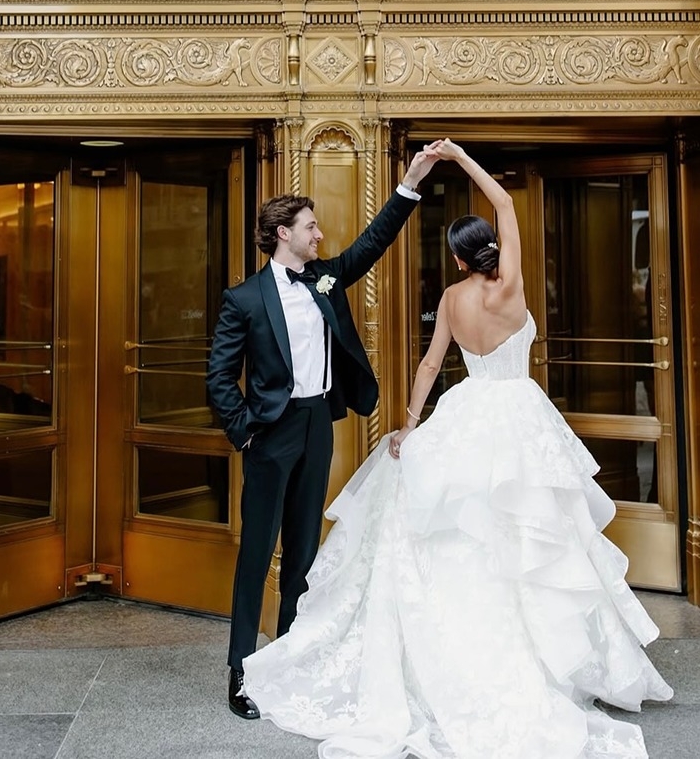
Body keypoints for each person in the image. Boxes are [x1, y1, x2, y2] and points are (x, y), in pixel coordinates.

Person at [242, 139, 673, 759]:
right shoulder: (512, 289)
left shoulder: (451, 299)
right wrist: (462, 159)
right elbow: (504, 203)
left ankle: (457, 647)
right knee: (529, 533)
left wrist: (412, 424)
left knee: (458, 537)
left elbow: (428, 364)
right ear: (492, 250)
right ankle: (540, 657)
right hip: (519, 415)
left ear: (456, 258)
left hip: (466, 414)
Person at [206, 145, 440, 720]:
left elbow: (372, 242)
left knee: (304, 553)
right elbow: (217, 377)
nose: (320, 234)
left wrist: (410, 181)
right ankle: (242, 673)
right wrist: (246, 434)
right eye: (310, 226)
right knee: (257, 553)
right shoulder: (244, 300)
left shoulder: (325, 279)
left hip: (318, 425)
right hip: (270, 434)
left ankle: (288, 659)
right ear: (283, 232)